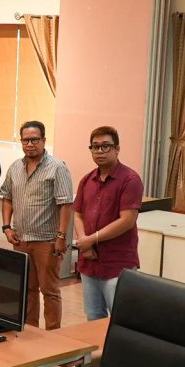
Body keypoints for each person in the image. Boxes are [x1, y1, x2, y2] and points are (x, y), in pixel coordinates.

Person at [0, 121, 74, 330]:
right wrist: (6, 227)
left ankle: (52, 335)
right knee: (28, 289)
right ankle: (30, 330)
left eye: (34, 140)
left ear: (43, 140)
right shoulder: (15, 167)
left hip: (47, 241)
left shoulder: (57, 167)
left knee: (49, 291)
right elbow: (6, 197)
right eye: (26, 140)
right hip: (21, 239)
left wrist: (61, 237)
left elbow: (66, 204)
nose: (30, 144)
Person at [72, 126, 143, 320]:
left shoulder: (130, 179)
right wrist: (84, 242)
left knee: (121, 320)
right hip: (90, 262)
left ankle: (117, 352)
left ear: (117, 149)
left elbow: (127, 221)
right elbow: (77, 214)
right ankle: (99, 353)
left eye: (105, 146)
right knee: (93, 317)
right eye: (95, 147)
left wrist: (91, 239)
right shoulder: (87, 179)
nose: (100, 151)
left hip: (117, 263)